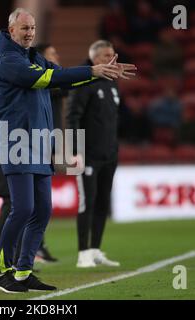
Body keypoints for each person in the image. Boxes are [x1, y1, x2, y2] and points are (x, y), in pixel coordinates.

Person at [0, 8, 134, 293]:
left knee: (42, 210)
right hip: (16, 143)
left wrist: (96, 73)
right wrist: (92, 70)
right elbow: (45, 79)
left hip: (39, 144)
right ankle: (0, 270)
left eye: (32, 28)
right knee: (23, 209)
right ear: (11, 30)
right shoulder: (7, 60)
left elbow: (62, 76)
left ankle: (23, 272)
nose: (30, 32)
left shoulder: (32, 57)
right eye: (24, 28)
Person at [0, 77, 58, 273]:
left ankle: (21, 260)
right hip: (9, 149)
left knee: (31, 206)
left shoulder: (33, 82)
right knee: (12, 202)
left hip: (33, 149)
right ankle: (2, 260)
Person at [66, 40, 136, 268]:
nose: (111, 59)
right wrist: (74, 150)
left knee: (103, 202)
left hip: (108, 155)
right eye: (106, 56)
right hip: (87, 155)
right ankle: (82, 253)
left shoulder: (112, 83)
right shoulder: (83, 81)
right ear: (95, 59)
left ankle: (95, 249)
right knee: (88, 202)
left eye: (113, 54)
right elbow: (72, 117)